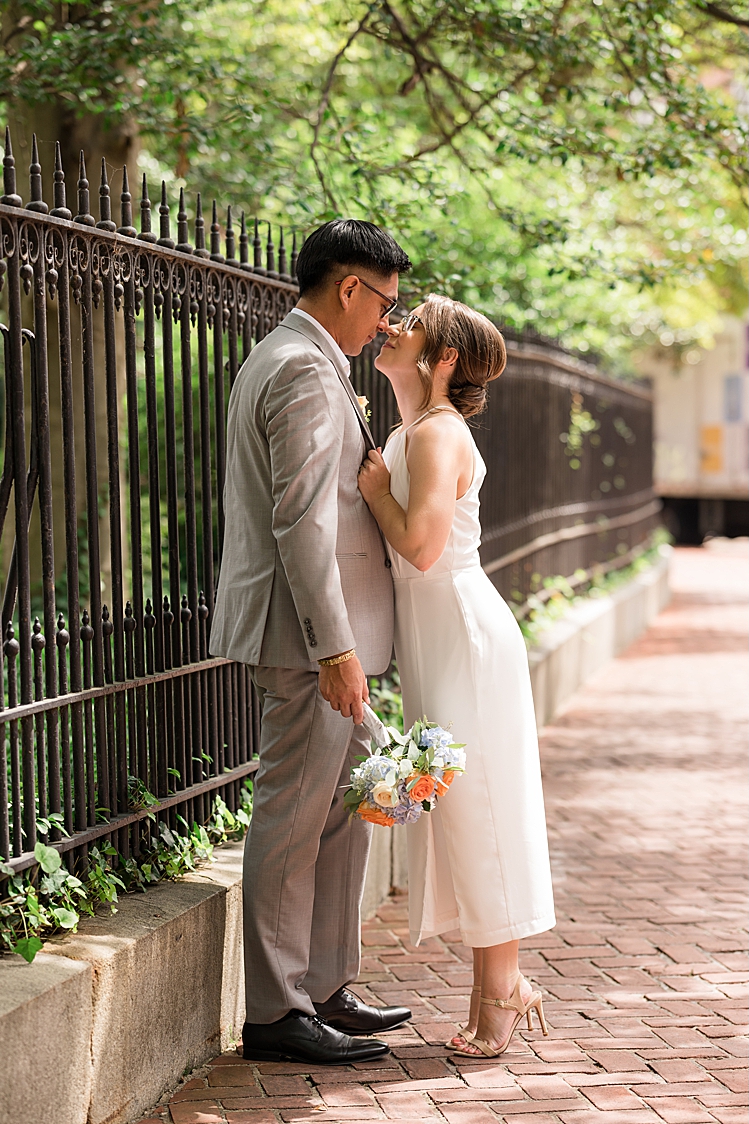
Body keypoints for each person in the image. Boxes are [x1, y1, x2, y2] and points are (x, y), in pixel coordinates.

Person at [212, 218, 416, 1064]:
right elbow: (302, 520)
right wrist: (334, 648)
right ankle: (274, 1012)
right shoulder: (299, 368)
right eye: (384, 304)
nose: (386, 324)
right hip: (305, 643)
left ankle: (326, 986)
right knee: (294, 822)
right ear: (348, 289)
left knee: (344, 818)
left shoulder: (310, 362)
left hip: (330, 640)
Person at [356, 294, 556, 1058]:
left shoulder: (439, 435)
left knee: (480, 810)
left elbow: (424, 546)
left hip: (464, 635)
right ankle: (492, 993)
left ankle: (503, 994)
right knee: (463, 808)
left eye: (410, 323)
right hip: (438, 635)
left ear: (441, 361)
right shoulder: (414, 430)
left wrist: (376, 493)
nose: (392, 325)